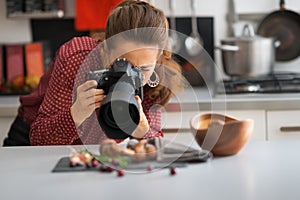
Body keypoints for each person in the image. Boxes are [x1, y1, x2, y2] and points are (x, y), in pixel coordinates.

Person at [3, 0, 183, 146]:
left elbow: (154, 153)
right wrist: (75, 113)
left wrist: (144, 132)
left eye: (143, 68)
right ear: (105, 48)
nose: (131, 76)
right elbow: (39, 139)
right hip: (28, 139)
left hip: (92, 155)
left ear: (158, 58)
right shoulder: (76, 58)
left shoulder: (155, 82)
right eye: (122, 63)